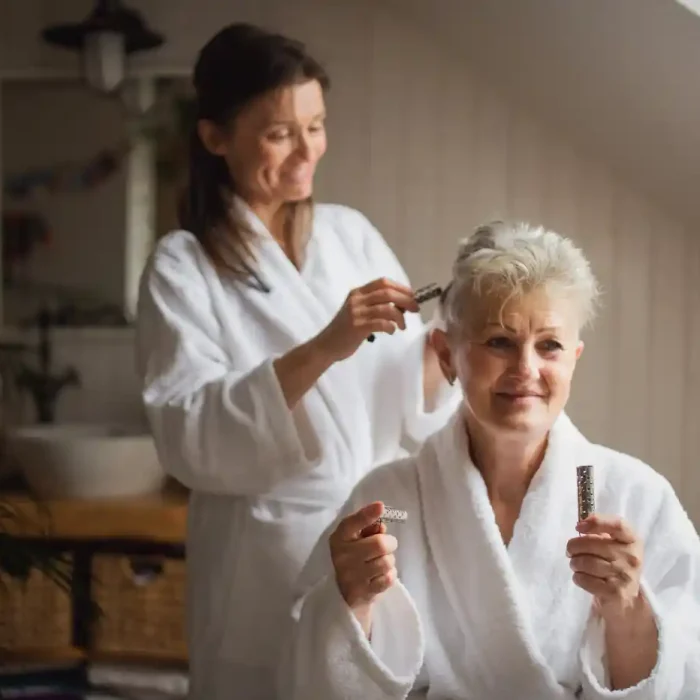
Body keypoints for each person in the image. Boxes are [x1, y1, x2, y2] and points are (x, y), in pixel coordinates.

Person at [135, 22, 458, 700]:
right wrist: (324, 346)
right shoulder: (183, 266)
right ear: (215, 136)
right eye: (280, 132)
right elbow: (187, 431)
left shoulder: (350, 235)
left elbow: (403, 395)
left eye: (316, 125)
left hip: (365, 545)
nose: (307, 150)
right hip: (262, 557)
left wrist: (445, 354)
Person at [280, 221, 700, 699]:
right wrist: (349, 603)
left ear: (574, 359)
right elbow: (305, 675)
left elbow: (687, 674)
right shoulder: (388, 502)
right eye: (499, 341)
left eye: (550, 346)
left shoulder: (636, 497)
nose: (526, 369)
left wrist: (628, 610)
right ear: (446, 356)